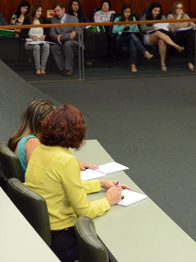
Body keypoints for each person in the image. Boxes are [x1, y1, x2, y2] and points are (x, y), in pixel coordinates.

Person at [25, 105, 129, 262]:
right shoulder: (66, 160)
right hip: (62, 236)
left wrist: (100, 184)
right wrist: (108, 200)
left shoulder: (40, 150)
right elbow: (84, 211)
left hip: (42, 231)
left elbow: (63, 187)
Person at [7, 100, 97, 176]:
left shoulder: (27, 139)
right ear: (43, 123)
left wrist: (75, 163)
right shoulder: (32, 142)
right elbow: (41, 173)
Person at [167, 0, 196, 72]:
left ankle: (190, 62)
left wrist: (194, 28)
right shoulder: (170, 16)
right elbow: (172, 29)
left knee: (190, 38)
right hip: (175, 37)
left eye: (181, 8)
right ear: (174, 9)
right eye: (177, 8)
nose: (179, 10)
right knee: (190, 33)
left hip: (186, 36)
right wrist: (178, 18)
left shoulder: (186, 16)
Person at [140, 2, 184, 72]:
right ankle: (176, 46)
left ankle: (163, 63)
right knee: (157, 32)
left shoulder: (162, 16)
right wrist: (154, 28)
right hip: (148, 37)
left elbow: (166, 28)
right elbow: (143, 28)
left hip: (161, 36)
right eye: (155, 10)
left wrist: (168, 27)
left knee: (162, 41)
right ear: (151, 10)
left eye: (158, 11)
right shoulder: (145, 16)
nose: (157, 13)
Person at [112, 4, 153, 72]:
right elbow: (114, 31)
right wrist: (124, 26)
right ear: (122, 12)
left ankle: (133, 64)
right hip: (121, 39)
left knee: (132, 41)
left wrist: (133, 27)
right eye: (126, 12)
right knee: (131, 36)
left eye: (129, 12)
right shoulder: (118, 19)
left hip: (131, 38)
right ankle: (145, 52)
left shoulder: (133, 18)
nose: (127, 14)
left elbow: (137, 31)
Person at [49, 3, 80, 77]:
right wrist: (56, 36)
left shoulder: (73, 18)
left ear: (63, 9)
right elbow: (51, 32)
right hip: (61, 42)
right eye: (55, 11)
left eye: (58, 11)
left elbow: (79, 31)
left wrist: (75, 32)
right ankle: (63, 68)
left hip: (73, 42)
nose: (57, 13)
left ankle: (69, 69)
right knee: (54, 47)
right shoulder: (54, 20)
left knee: (67, 44)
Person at [25, 5, 50, 76]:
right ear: (34, 11)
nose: (40, 13)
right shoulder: (27, 19)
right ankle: (38, 68)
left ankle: (43, 67)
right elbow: (22, 33)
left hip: (40, 41)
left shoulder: (42, 19)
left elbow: (47, 31)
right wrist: (31, 36)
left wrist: (44, 35)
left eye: (41, 11)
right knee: (36, 47)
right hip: (30, 42)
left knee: (47, 46)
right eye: (38, 11)